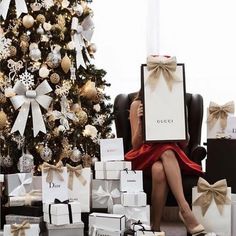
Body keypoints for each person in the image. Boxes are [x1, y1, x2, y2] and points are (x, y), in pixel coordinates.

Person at [125, 89, 205, 235]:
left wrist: (180, 118)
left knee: (159, 169)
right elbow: (135, 144)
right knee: (166, 151)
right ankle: (185, 210)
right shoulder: (137, 104)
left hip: (170, 156)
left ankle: (155, 228)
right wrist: (142, 122)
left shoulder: (177, 103)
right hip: (144, 155)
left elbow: (185, 142)